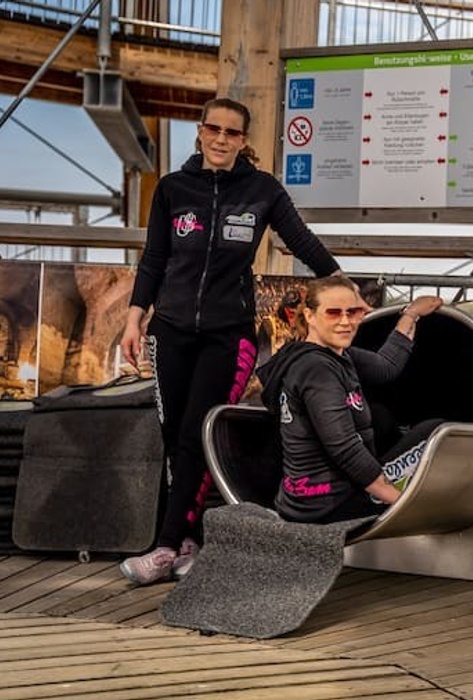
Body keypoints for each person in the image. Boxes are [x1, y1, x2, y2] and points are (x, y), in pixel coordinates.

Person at [118, 97, 342, 585]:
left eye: (232, 132)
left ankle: (164, 547)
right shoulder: (172, 189)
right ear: (200, 132)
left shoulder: (262, 191)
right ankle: (188, 542)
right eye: (213, 129)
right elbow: (154, 259)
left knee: (196, 432)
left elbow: (301, 240)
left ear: (244, 140)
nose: (221, 139)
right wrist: (135, 319)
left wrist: (341, 284)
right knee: (174, 436)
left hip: (228, 335)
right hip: (170, 330)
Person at [257, 276, 443, 524]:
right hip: (331, 506)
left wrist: (411, 314)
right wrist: (402, 504)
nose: (345, 321)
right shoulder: (317, 369)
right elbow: (344, 448)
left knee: (381, 417)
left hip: (304, 498)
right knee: (436, 431)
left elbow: (386, 366)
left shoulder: (332, 354)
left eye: (352, 312)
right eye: (333, 313)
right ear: (310, 316)